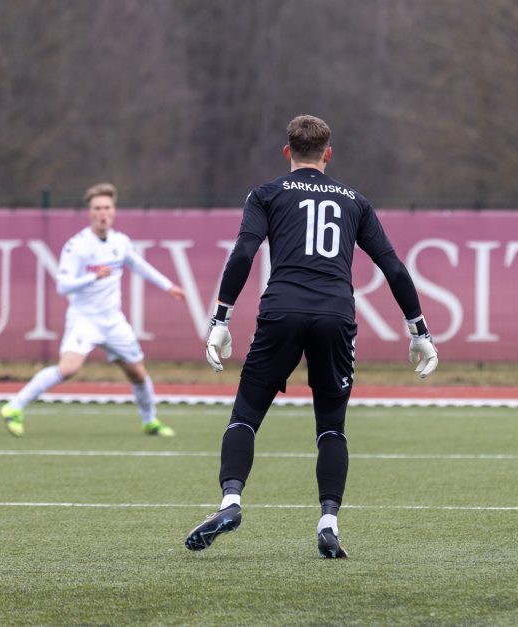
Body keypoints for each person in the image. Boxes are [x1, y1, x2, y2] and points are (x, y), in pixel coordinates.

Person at [184, 115, 438, 558]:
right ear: (328, 153)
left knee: (245, 415)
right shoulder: (354, 201)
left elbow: (245, 251)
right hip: (335, 316)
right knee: (331, 428)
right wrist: (419, 330)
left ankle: (230, 502)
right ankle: (328, 523)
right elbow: (393, 267)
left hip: (281, 310)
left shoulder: (265, 194)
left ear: (287, 152)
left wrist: (220, 319)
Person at [1, 182, 186, 437]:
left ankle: (150, 421)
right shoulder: (77, 246)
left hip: (113, 321)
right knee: (68, 368)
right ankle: (14, 407)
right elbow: (63, 286)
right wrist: (93, 277)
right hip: (84, 320)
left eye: (107, 207)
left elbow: (137, 264)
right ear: (89, 212)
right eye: (97, 208)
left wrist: (168, 286)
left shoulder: (120, 242)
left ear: (114, 210)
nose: (103, 213)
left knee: (138, 373)